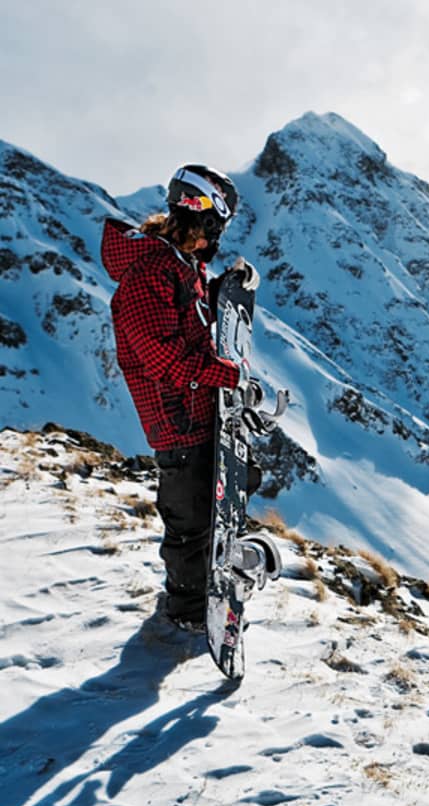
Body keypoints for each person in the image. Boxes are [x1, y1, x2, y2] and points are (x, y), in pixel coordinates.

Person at [101, 165, 260, 631]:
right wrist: (226, 375)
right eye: (216, 228)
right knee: (190, 522)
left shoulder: (179, 268)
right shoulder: (150, 271)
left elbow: (187, 322)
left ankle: (214, 583)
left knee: (225, 497)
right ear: (203, 220)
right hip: (176, 419)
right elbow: (164, 358)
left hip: (195, 411)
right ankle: (188, 614)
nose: (216, 239)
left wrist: (217, 291)